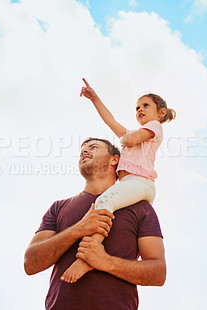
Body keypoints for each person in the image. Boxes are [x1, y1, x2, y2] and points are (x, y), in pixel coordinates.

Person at [24, 137, 166, 310]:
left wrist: (105, 262)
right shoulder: (58, 207)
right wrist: (77, 229)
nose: (84, 151)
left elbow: (158, 273)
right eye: (82, 150)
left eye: (93, 147)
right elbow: (30, 263)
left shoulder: (140, 207)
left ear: (115, 159)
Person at [62, 78, 175, 283]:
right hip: (132, 185)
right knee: (113, 210)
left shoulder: (154, 127)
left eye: (145, 105)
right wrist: (95, 99)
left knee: (104, 202)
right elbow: (110, 120)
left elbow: (129, 140)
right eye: (137, 107)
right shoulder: (135, 132)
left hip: (140, 182)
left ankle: (88, 256)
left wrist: (122, 139)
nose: (140, 109)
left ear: (160, 112)